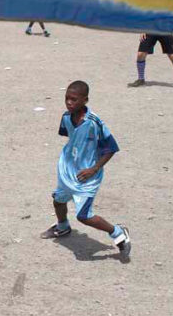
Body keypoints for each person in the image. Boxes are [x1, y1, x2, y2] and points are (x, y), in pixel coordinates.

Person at [40, 81, 130, 258]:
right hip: (68, 170)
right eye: (67, 98)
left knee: (83, 216)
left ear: (85, 100)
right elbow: (71, 137)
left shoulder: (94, 123)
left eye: (74, 99)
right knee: (58, 201)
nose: (69, 103)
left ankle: (118, 232)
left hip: (87, 175)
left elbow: (111, 148)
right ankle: (63, 227)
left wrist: (94, 168)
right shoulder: (66, 117)